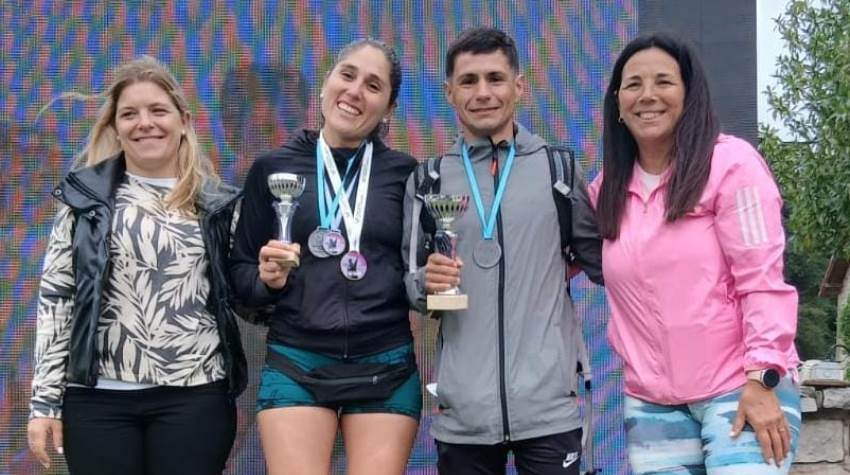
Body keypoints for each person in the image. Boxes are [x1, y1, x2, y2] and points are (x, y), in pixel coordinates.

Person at [590, 32, 801, 474]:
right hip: (652, 404)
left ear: (689, 94)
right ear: (617, 102)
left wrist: (763, 377)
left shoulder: (732, 165)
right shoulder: (606, 189)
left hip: (740, 387)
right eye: (633, 84)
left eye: (664, 81)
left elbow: (763, 281)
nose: (647, 95)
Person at [27, 56, 247, 474]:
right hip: (97, 401)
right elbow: (57, 301)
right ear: (115, 127)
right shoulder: (84, 201)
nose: (145, 123)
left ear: (183, 121)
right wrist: (44, 405)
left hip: (195, 397)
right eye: (129, 114)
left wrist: (272, 277)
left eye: (158, 110)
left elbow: (246, 296)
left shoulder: (218, 205)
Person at [402, 27, 603, 474]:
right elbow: (411, 284)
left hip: (549, 409)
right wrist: (425, 282)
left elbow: (606, 263)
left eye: (495, 78)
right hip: (465, 414)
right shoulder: (429, 179)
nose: (482, 92)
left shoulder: (559, 168)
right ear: (450, 92)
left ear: (519, 86)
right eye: (468, 81)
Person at [229, 39, 420, 475]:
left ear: (388, 109)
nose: (355, 91)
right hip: (297, 361)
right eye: (347, 75)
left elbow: (419, 275)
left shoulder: (406, 174)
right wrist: (265, 281)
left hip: (385, 365)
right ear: (325, 85)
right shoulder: (271, 169)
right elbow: (239, 274)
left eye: (373, 85)